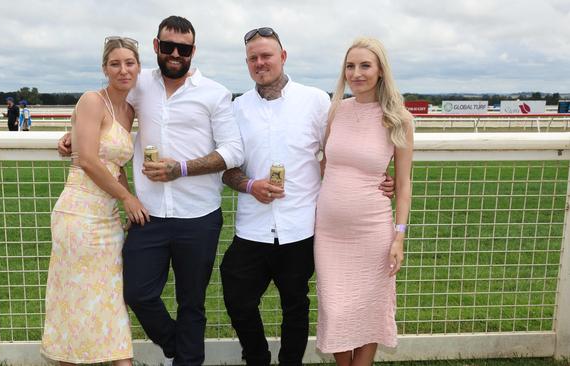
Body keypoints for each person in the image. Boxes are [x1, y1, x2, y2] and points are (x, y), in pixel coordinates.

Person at [58, 16, 244, 366]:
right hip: (149, 212)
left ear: (193, 50)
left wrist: (183, 168)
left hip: (199, 216)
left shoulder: (215, 93)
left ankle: (186, 359)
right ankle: (179, 347)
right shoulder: (138, 81)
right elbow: (101, 103)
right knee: (138, 292)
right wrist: (74, 135)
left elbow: (234, 150)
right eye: (168, 46)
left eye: (184, 48)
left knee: (192, 302)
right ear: (156, 46)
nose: (176, 53)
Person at [220, 28, 393, 366]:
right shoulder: (237, 108)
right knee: (237, 296)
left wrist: (380, 178)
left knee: (295, 305)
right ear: (246, 63)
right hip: (252, 227)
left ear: (283, 57)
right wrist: (249, 185)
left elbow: (341, 152)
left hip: (302, 225)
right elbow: (228, 169)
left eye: (266, 55)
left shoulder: (316, 101)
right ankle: (256, 357)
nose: (260, 63)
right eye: (253, 58)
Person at [41, 36, 148, 366]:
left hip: (107, 218)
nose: (123, 70)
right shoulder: (92, 100)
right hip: (79, 214)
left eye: (129, 63)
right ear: (105, 68)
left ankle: (118, 359)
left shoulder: (129, 110)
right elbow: (87, 158)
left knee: (110, 299)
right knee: (76, 301)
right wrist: (127, 198)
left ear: (139, 67)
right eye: (115, 63)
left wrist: (128, 201)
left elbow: (115, 164)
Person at [314, 37, 414, 366]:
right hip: (329, 233)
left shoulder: (398, 118)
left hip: (373, 232)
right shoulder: (337, 111)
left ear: (381, 70)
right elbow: (327, 163)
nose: (356, 73)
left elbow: (402, 183)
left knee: (371, 307)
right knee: (335, 307)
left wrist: (399, 235)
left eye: (365, 65)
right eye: (350, 66)